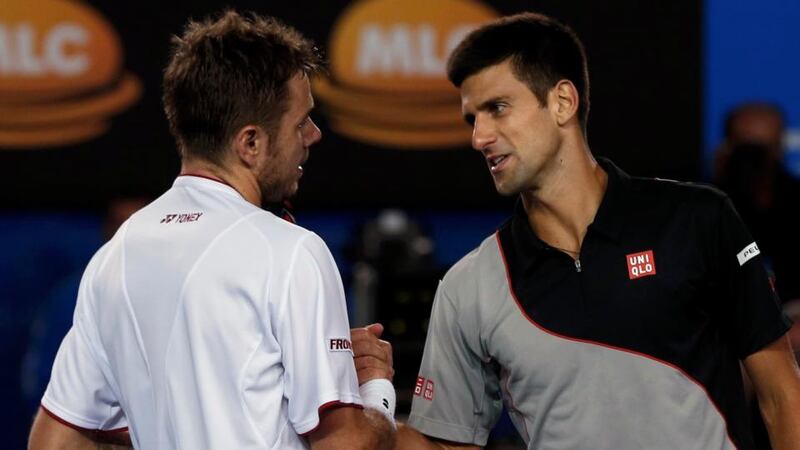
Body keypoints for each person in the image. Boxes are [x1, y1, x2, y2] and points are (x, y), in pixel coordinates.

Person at [353, 12, 800, 450]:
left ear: (563, 102)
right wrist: (373, 403)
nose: (479, 137)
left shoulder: (700, 221)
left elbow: (782, 397)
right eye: (473, 119)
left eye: (498, 109)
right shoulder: (469, 286)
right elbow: (444, 445)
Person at [28, 10, 395, 450]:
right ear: (250, 143)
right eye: (301, 122)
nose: (313, 135)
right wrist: (375, 394)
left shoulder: (114, 256)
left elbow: (54, 443)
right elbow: (345, 445)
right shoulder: (293, 251)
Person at [714, 102, 800, 303]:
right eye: (746, 148)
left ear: (779, 148)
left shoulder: (795, 199)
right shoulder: (704, 202)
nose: (754, 159)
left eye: (764, 149)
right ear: (727, 147)